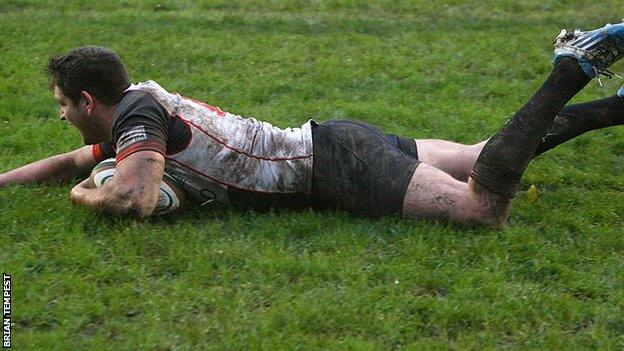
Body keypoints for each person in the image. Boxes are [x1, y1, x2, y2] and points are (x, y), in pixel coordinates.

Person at [1, 21, 623, 226]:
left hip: (333, 167)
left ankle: (569, 70)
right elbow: (67, 163)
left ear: (87, 100)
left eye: (62, 104)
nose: (61, 118)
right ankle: (615, 108)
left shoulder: (138, 119)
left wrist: (91, 192)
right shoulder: (136, 113)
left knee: (481, 207)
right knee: (485, 151)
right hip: (329, 140)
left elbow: (131, 199)